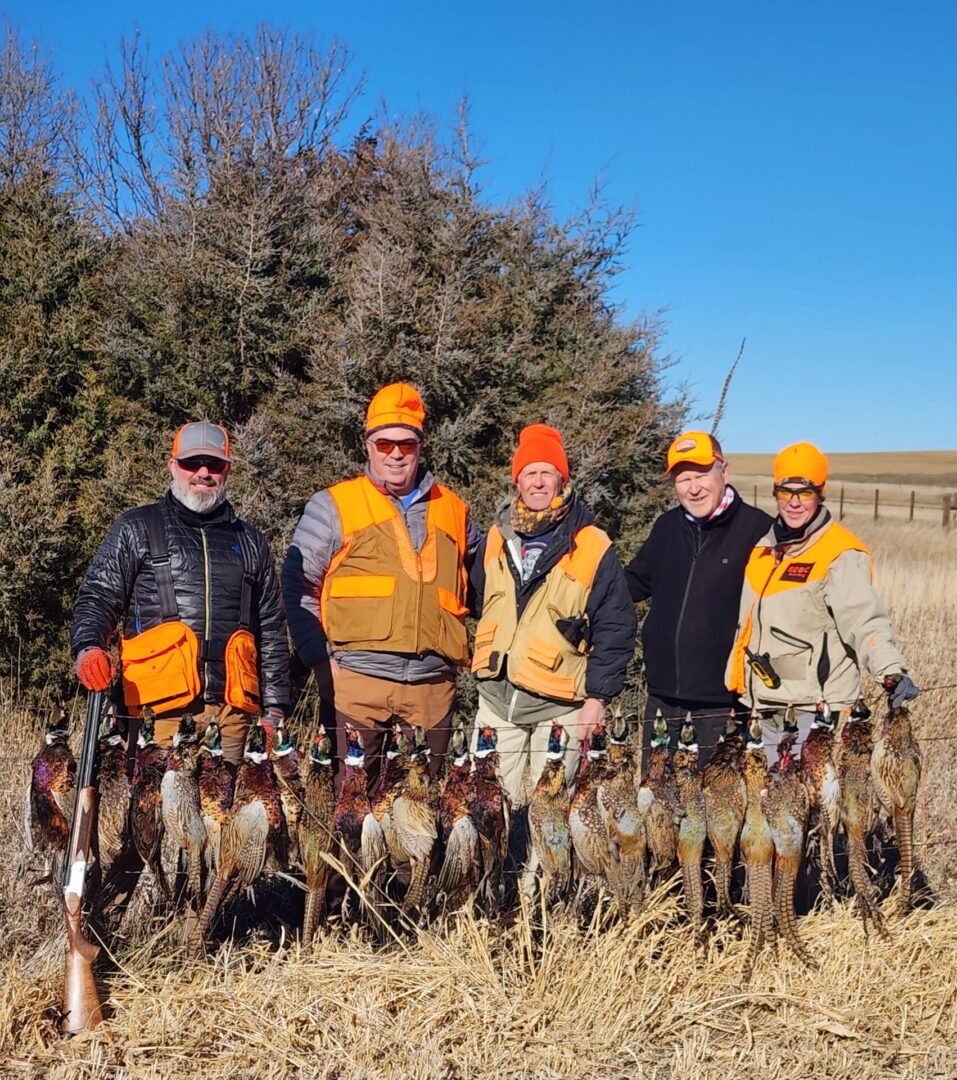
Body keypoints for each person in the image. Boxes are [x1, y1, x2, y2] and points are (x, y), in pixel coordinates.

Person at [283, 383, 478, 784]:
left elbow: (486, 590)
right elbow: (298, 586)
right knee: (348, 805)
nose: (395, 454)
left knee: (423, 814)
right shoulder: (334, 503)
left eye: (406, 445)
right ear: (368, 444)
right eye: (384, 442)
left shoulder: (455, 509)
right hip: (356, 684)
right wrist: (321, 662)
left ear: (420, 447)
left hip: (431, 689)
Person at [71, 421, 289, 765]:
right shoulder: (137, 527)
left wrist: (275, 709)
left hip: (231, 717)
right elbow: (98, 596)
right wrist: (88, 648)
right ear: (173, 466)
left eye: (214, 464)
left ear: (227, 470)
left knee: (226, 815)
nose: (203, 473)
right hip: (156, 714)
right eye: (192, 463)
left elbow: (273, 632)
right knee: (155, 817)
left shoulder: (251, 542)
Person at [469, 424, 636, 806]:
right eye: (530, 473)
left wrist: (598, 699)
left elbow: (616, 625)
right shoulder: (498, 535)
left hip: (560, 705)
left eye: (547, 472)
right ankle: (501, 869)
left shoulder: (592, 543)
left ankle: (539, 870)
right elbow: (479, 598)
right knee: (490, 805)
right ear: (518, 481)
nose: (539, 482)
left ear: (563, 478)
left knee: (552, 810)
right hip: (497, 699)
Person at [726, 441, 918, 760]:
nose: (795, 502)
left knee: (800, 805)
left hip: (809, 710)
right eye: (786, 492)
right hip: (761, 702)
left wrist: (891, 668)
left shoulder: (839, 554)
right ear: (775, 493)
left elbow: (865, 619)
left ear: (821, 493)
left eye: (806, 491)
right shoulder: (764, 548)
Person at [624, 431, 772, 769]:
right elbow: (632, 583)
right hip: (663, 698)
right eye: (683, 478)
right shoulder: (666, 528)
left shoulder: (758, 531)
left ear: (724, 471)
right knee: (656, 801)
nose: (693, 487)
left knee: (714, 811)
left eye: (702, 475)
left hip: (722, 706)